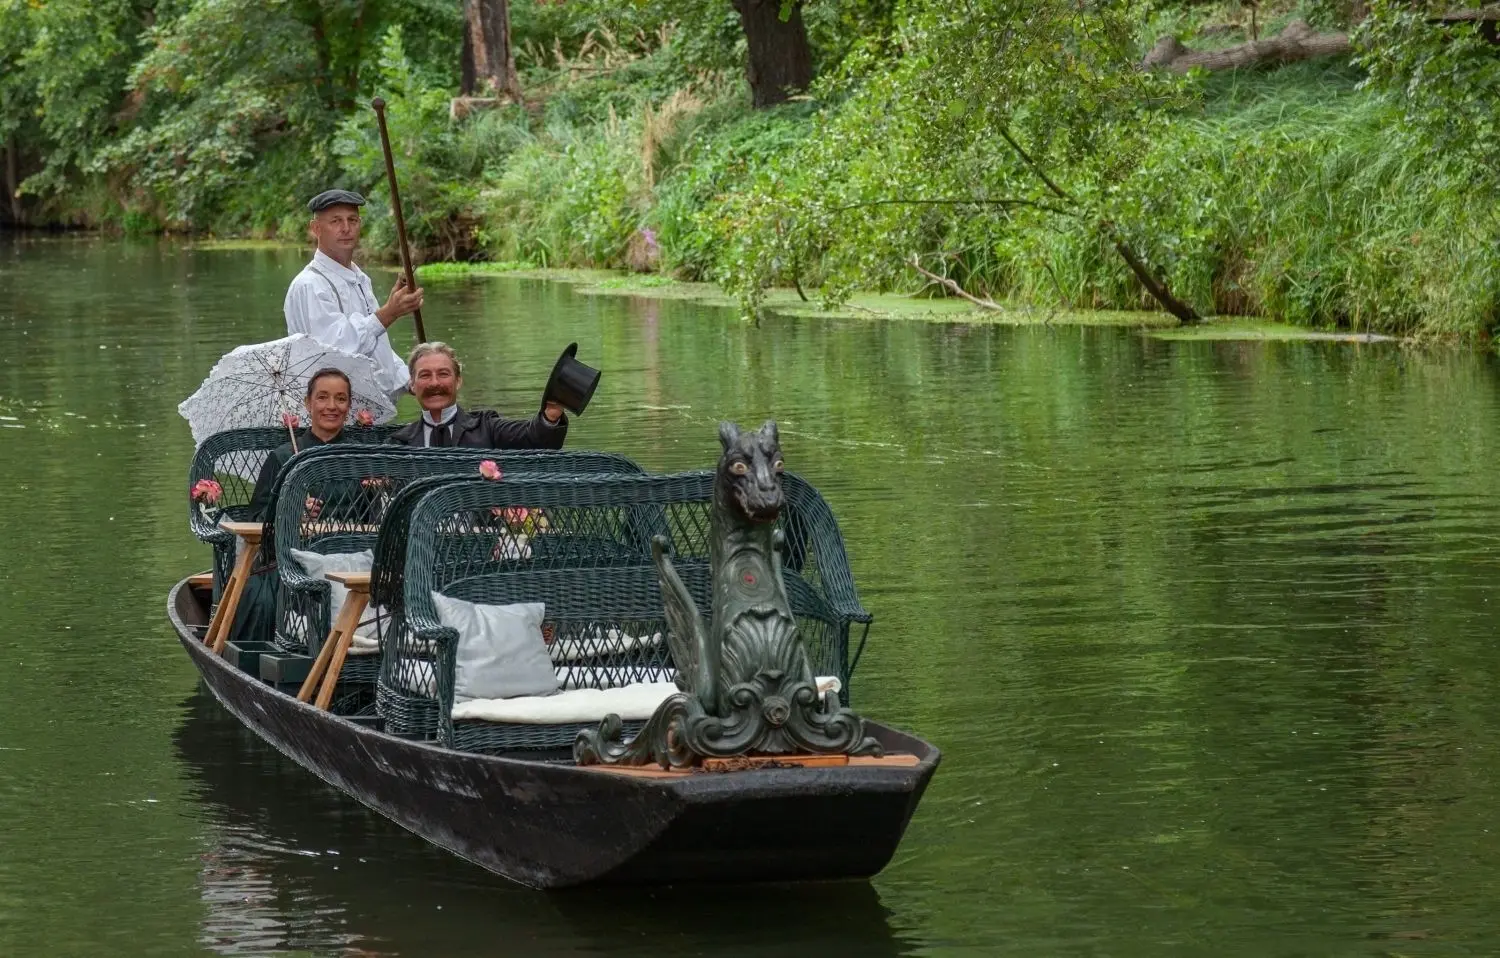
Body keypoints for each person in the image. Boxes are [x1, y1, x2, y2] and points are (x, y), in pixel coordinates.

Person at [284, 189, 423, 404]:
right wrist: (388, 313)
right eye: (336, 221)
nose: (346, 228)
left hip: (369, 414)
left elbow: (377, 348)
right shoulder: (310, 285)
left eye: (352, 220)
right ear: (315, 228)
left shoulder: (359, 278)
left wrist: (410, 380)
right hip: (333, 415)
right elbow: (336, 353)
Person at [385, 342, 568, 449]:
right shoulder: (398, 443)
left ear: (458, 381)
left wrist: (550, 416)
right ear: (412, 385)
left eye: (443, 374)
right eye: (425, 375)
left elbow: (534, 437)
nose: (435, 383)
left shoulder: (487, 427)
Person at [247, 367, 353, 521]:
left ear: (349, 405)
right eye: (322, 397)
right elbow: (255, 520)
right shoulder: (283, 457)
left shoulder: (361, 457)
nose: (331, 406)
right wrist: (294, 512)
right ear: (308, 403)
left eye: (341, 399)